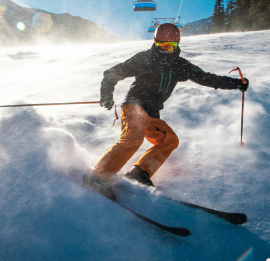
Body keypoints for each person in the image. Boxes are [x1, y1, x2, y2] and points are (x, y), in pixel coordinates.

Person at [84, 23, 249, 200]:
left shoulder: (180, 65)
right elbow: (112, 73)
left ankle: (140, 172)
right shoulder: (144, 59)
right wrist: (106, 94)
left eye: (170, 46)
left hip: (152, 113)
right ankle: (99, 178)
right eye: (161, 46)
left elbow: (205, 77)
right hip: (134, 106)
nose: (165, 51)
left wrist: (235, 84)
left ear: (177, 44)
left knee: (169, 140)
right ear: (154, 42)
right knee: (133, 139)